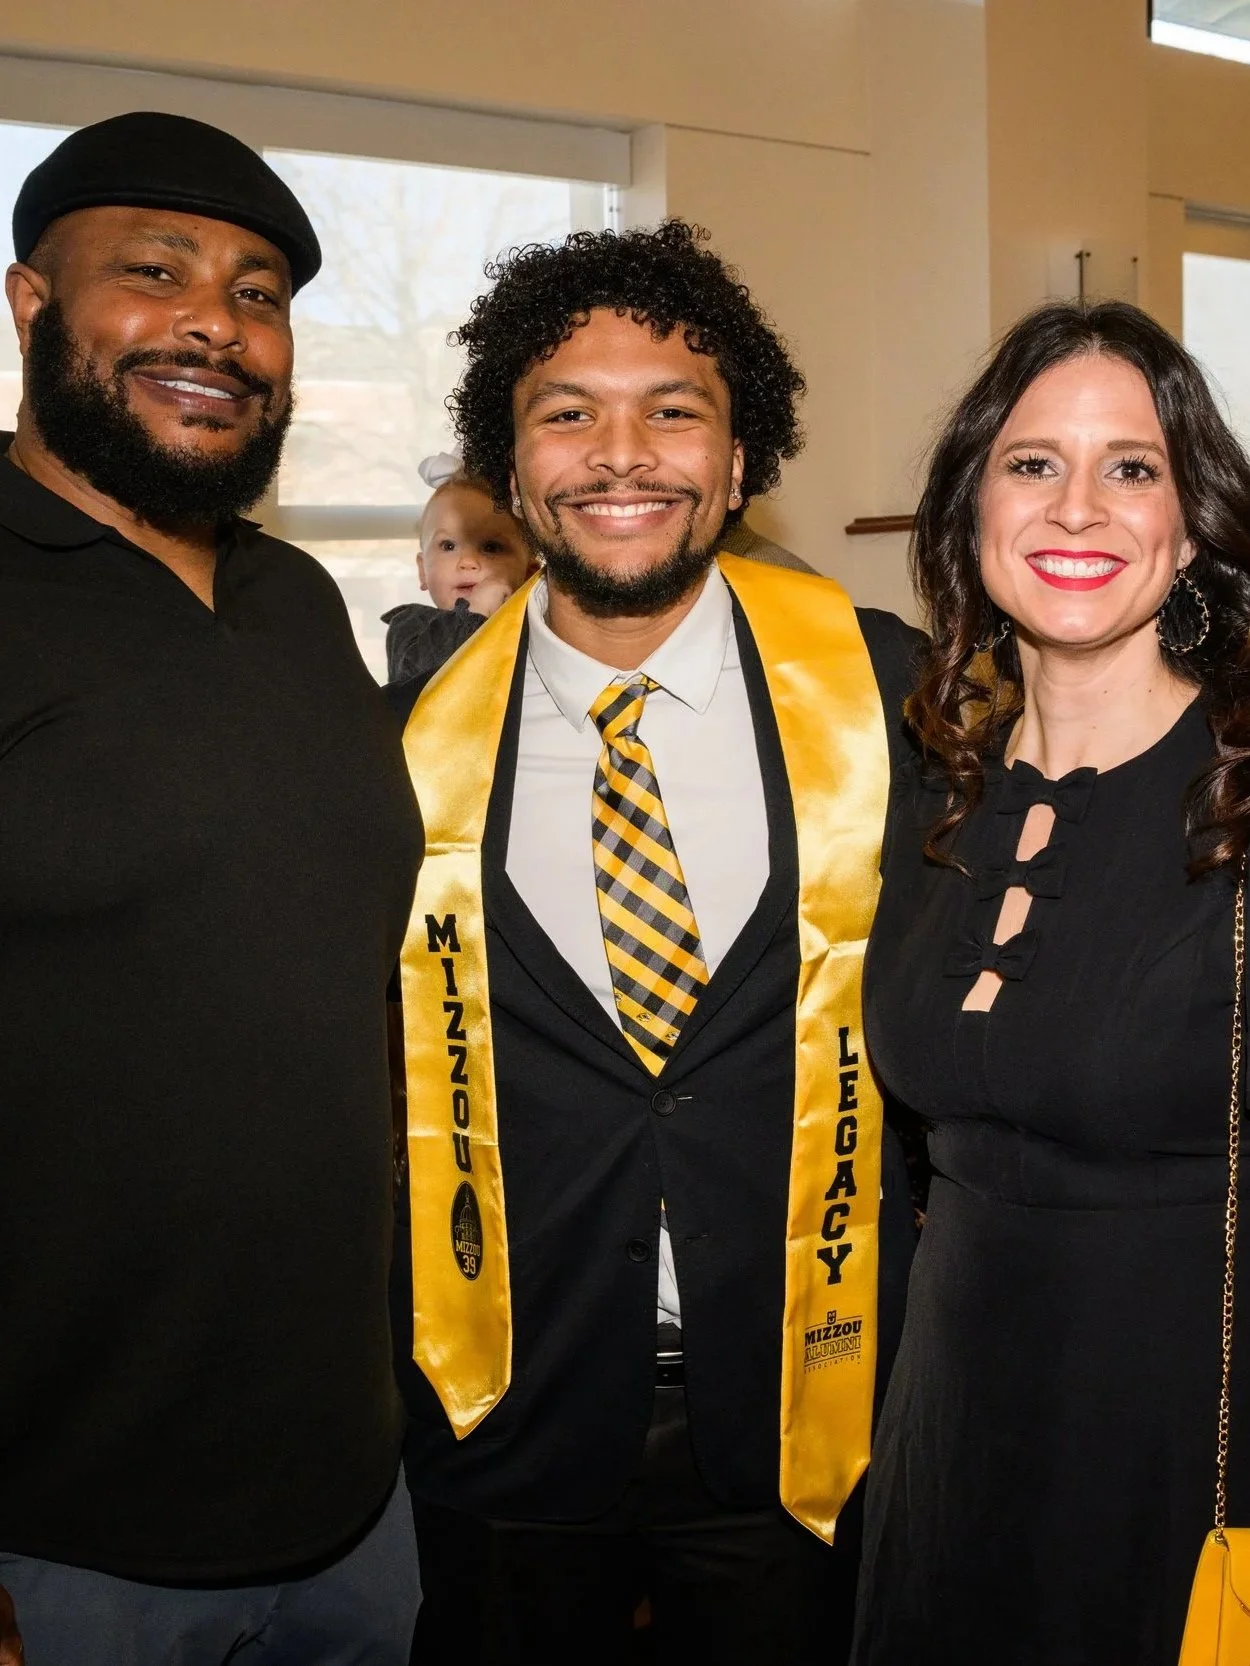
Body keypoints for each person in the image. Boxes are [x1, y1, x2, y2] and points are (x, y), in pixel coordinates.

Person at [389, 219, 921, 1665]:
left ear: (738, 464)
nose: (619, 453)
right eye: (568, 414)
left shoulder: (883, 694)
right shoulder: (403, 745)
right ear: (513, 472)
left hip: (807, 1410)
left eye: (672, 411)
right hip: (510, 1405)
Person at [0, 111, 423, 1665]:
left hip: (353, 1505)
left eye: (257, 294)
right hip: (64, 1543)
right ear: (34, 304)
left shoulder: (298, 597)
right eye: (155, 272)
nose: (214, 324)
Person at [852, 300, 1250, 1666]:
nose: (1077, 504)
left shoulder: (1241, 798)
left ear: (1189, 520)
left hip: (1179, 1485)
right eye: (1032, 462)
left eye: (1131, 466)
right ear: (970, 506)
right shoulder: (935, 786)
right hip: (943, 1455)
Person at [383, 460, 532, 681]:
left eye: (491, 547)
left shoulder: (537, 628)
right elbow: (419, 686)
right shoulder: (411, 627)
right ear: (423, 571)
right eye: (448, 546)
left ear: (529, 575)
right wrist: (474, 615)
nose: (467, 561)